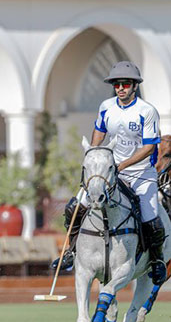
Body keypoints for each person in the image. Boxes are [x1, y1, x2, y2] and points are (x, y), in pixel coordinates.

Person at [51, 61, 166, 285]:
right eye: (117, 84)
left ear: (135, 86)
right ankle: (71, 252)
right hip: (110, 172)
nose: (121, 88)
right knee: (75, 207)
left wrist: (122, 165)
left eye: (125, 84)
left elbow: (149, 147)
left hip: (141, 173)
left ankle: (157, 260)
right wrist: (95, 159)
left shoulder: (146, 111)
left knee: (151, 218)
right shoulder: (106, 107)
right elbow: (99, 133)